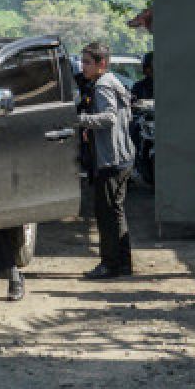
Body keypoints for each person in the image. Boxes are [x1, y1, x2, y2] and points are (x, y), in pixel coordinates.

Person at [76, 41, 136, 279]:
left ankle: (109, 264)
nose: (83, 67)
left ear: (102, 64)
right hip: (123, 156)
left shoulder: (102, 85)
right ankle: (122, 262)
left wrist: (80, 120)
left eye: (88, 62)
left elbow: (109, 117)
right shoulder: (113, 81)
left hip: (111, 159)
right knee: (116, 212)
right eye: (83, 62)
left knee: (105, 213)